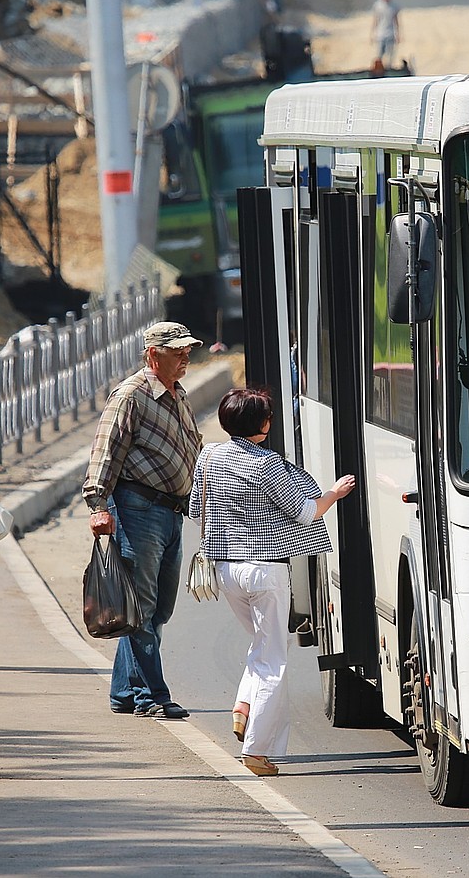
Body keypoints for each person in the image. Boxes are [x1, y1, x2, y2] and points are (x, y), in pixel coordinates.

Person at [189, 387, 356, 776]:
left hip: (226, 570)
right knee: (274, 660)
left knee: (262, 646)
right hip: (266, 571)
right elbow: (305, 512)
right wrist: (335, 492)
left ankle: (243, 706)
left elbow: (196, 510)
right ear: (262, 425)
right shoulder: (267, 465)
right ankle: (256, 749)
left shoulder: (209, 456)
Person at [83, 321, 204, 719]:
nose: (186, 356)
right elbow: (106, 450)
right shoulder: (131, 395)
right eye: (178, 351)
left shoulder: (177, 394)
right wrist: (98, 505)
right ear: (154, 353)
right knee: (144, 608)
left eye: (188, 350)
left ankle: (123, 692)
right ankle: (152, 695)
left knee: (155, 608)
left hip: (170, 510)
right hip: (138, 509)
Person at [370, 0, 401, 70]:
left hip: (390, 33)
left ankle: (389, 69)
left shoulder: (394, 5)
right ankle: (379, 70)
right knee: (379, 54)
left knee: (390, 54)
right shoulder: (377, 5)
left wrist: (398, 34)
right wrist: (372, 34)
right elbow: (375, 20)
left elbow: (396, 20)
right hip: (380, 34)